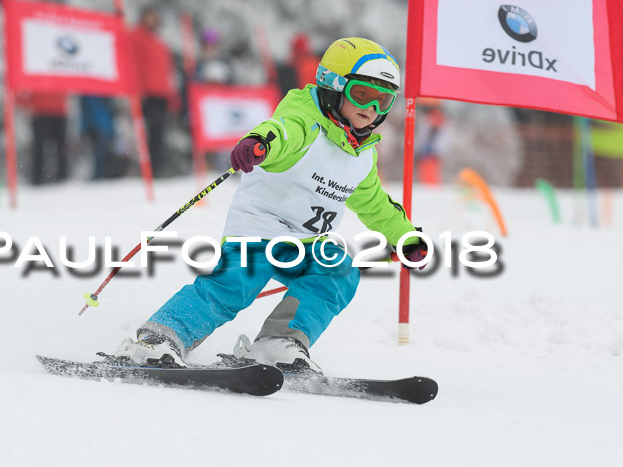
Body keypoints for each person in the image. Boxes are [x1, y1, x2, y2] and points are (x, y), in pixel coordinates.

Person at [114, 38, 428, 373]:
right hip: (259, 230)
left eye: (384, 100)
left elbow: (375, 203)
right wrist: (260, 144)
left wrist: (405, 236)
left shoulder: (362, 154)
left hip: (308, 244)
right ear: (334, 87)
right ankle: (159, 338)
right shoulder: (306, 123)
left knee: (338, 271)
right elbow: (281, 132)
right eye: (361, 95)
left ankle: (279, 342)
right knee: (234, 285)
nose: (372, 108)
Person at [132, 6, 176, 176]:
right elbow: (132, 65)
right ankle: (145, 169)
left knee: (159, 132)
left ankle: (157, 168)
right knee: (147, 131)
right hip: (146, 92)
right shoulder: (136, 36)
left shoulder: (159, 41)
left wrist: (172, 97)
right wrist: (137, 90)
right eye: (149, 17)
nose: (152, 20)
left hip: (161, 93)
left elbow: (167, 71)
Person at [17, 91, 68, 185]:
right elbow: (17, 92)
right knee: (39, 148)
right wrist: (26, 105)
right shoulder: (35, 76)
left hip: (58, 112)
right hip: (40, 112)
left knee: (61, 149)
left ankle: (62, 178)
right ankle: (37, 178)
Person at [80, 95, 115, 180]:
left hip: (101, 125)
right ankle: (99, 174)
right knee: (97, 151)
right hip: (97, 125)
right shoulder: (86, 93)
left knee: (101, 151)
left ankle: (101, 174)